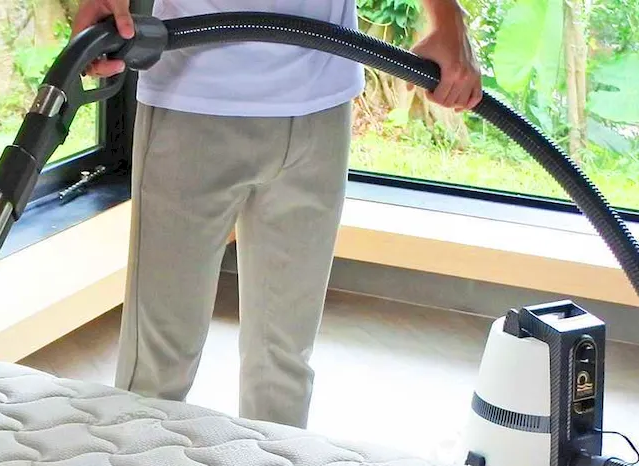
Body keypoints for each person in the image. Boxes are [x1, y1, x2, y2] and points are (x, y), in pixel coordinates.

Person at [74, 0, 481, 428]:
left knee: (285, 364)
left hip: (320, 102)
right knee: (155, 370)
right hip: (194, 98)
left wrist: (448, 19)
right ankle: (135, 461)